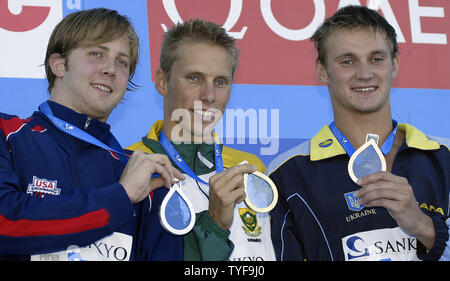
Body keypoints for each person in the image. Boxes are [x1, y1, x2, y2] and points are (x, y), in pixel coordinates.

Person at [266, 5, 449, 261]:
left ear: (394, 64)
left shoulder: (444, 157)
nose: (365, 74)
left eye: (377, 59)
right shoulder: (286, 173)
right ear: (322, 70)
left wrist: (422, 225)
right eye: (348, 61)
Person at [0, 8, 184, 261]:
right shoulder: (7, 133)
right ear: (59, 65)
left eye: (122, 62)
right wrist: (120, 197)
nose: (110, 69)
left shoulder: (145, 176)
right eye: (97, 54)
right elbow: (5, 223)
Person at [128, 18, 276, 261]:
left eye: (220, 82)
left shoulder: (252, 169)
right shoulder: (129, 165)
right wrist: (213, 225)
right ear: (163, 82)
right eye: (194, 78)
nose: (208, 96)